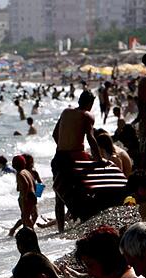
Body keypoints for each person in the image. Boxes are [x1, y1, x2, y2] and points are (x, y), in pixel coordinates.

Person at [51, 90, 106, 232]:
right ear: (90, 103)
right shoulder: (87, 115)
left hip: (59, 157)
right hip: (72, 159)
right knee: (80, 189)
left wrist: (63, 146)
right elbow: (91, 138)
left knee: (59, 193)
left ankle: (61, 229)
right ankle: (84, 217)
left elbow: (54, 134)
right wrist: (99, 159)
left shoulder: (65, 112)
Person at [13, 155, 37, 234]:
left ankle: (31, 232)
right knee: (29, 216)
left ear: (14, 165)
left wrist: (24, 197)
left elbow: (26, 184)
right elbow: (34, 183)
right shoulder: (27, 172)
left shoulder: (20, 173)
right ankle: (27, 231)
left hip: (27, 196)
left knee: (25, 217)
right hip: (33, 195)